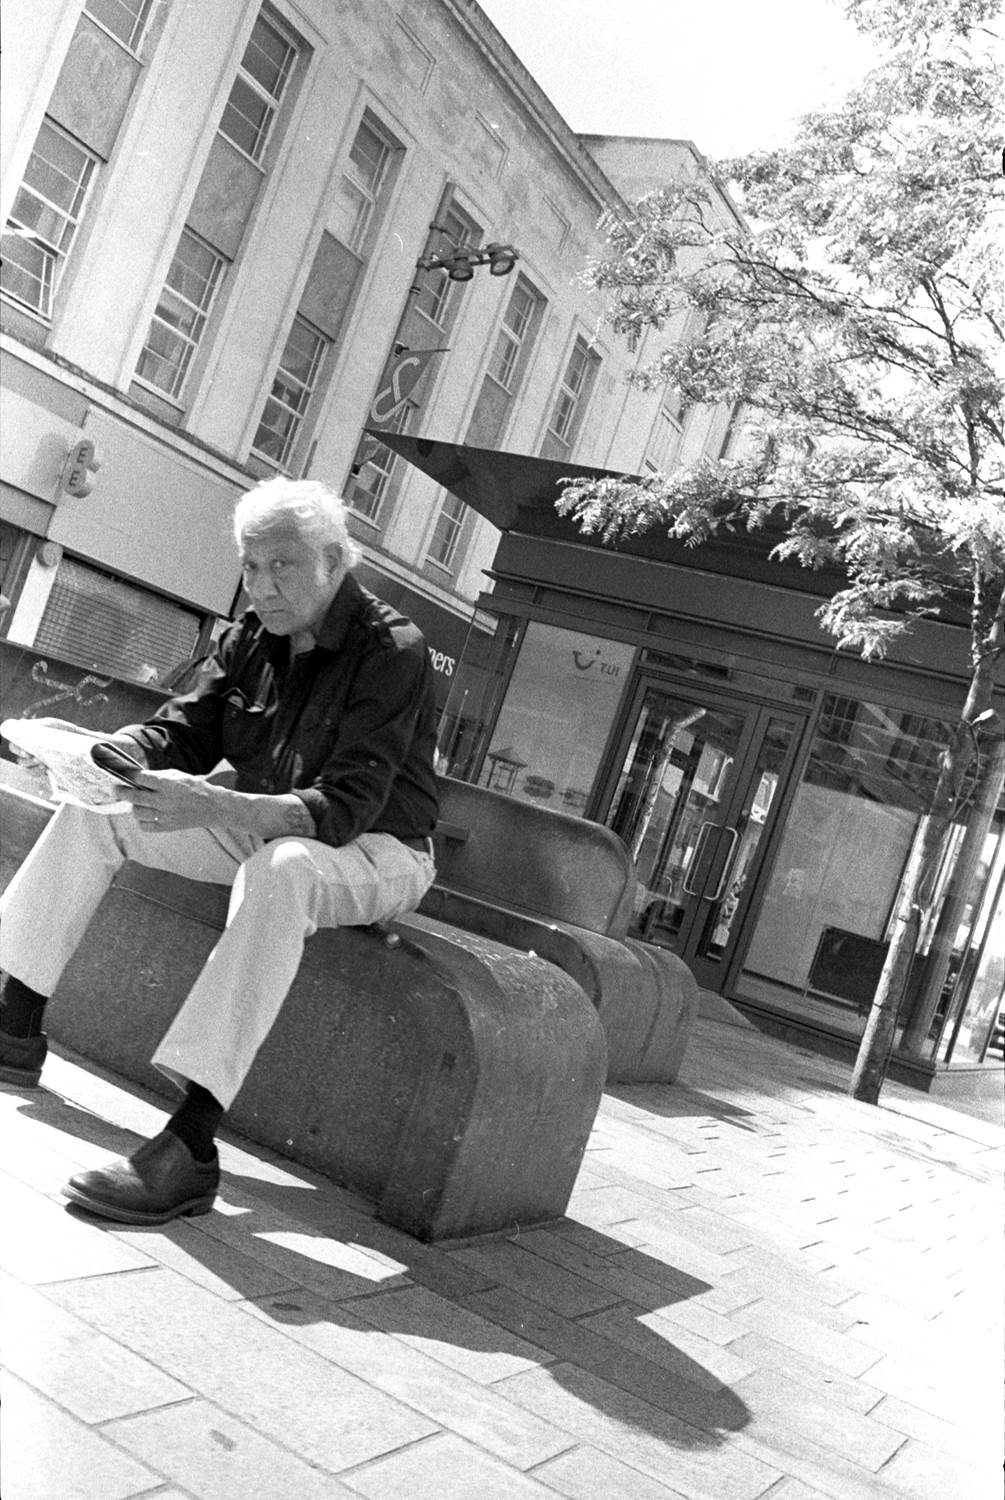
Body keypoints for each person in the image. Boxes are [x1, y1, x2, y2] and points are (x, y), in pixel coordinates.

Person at [0, 478, 439, 1224]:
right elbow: (187, 726)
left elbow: (345, 808)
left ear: (333, 561)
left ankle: (191, 1145)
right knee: (93, 813)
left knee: (285, 870)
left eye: (283, 566)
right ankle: (14, 1026)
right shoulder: (250, 637)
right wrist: (115, 755)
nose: (262, 586)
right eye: (250, 566)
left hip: (378, 848)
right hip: (261, 816)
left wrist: (222, 805)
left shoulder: (392, 651)